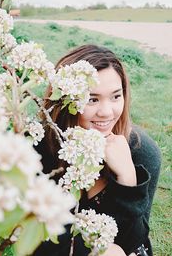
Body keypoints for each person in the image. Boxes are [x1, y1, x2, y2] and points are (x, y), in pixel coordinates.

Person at [33, 45, 161, 256]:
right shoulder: (40, 147)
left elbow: (134, 241)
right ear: (65, 100)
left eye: (115, 96)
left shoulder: (142, 152)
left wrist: (128, 177)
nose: (106, 112)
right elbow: (39, 239)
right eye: (92, 99)